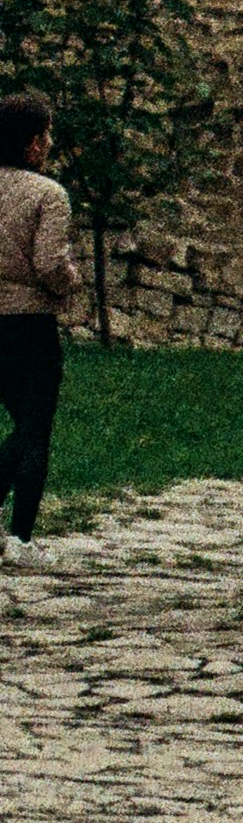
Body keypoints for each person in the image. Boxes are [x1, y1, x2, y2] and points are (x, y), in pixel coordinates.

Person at [0, 96, 80, 555]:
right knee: (35, 428)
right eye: (47, 134)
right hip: (29, 324)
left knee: (20, 425)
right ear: (32, 143)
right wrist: (72, 282)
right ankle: (21, 536)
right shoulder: (47, 194)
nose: (50, 143)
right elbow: (49, 263)